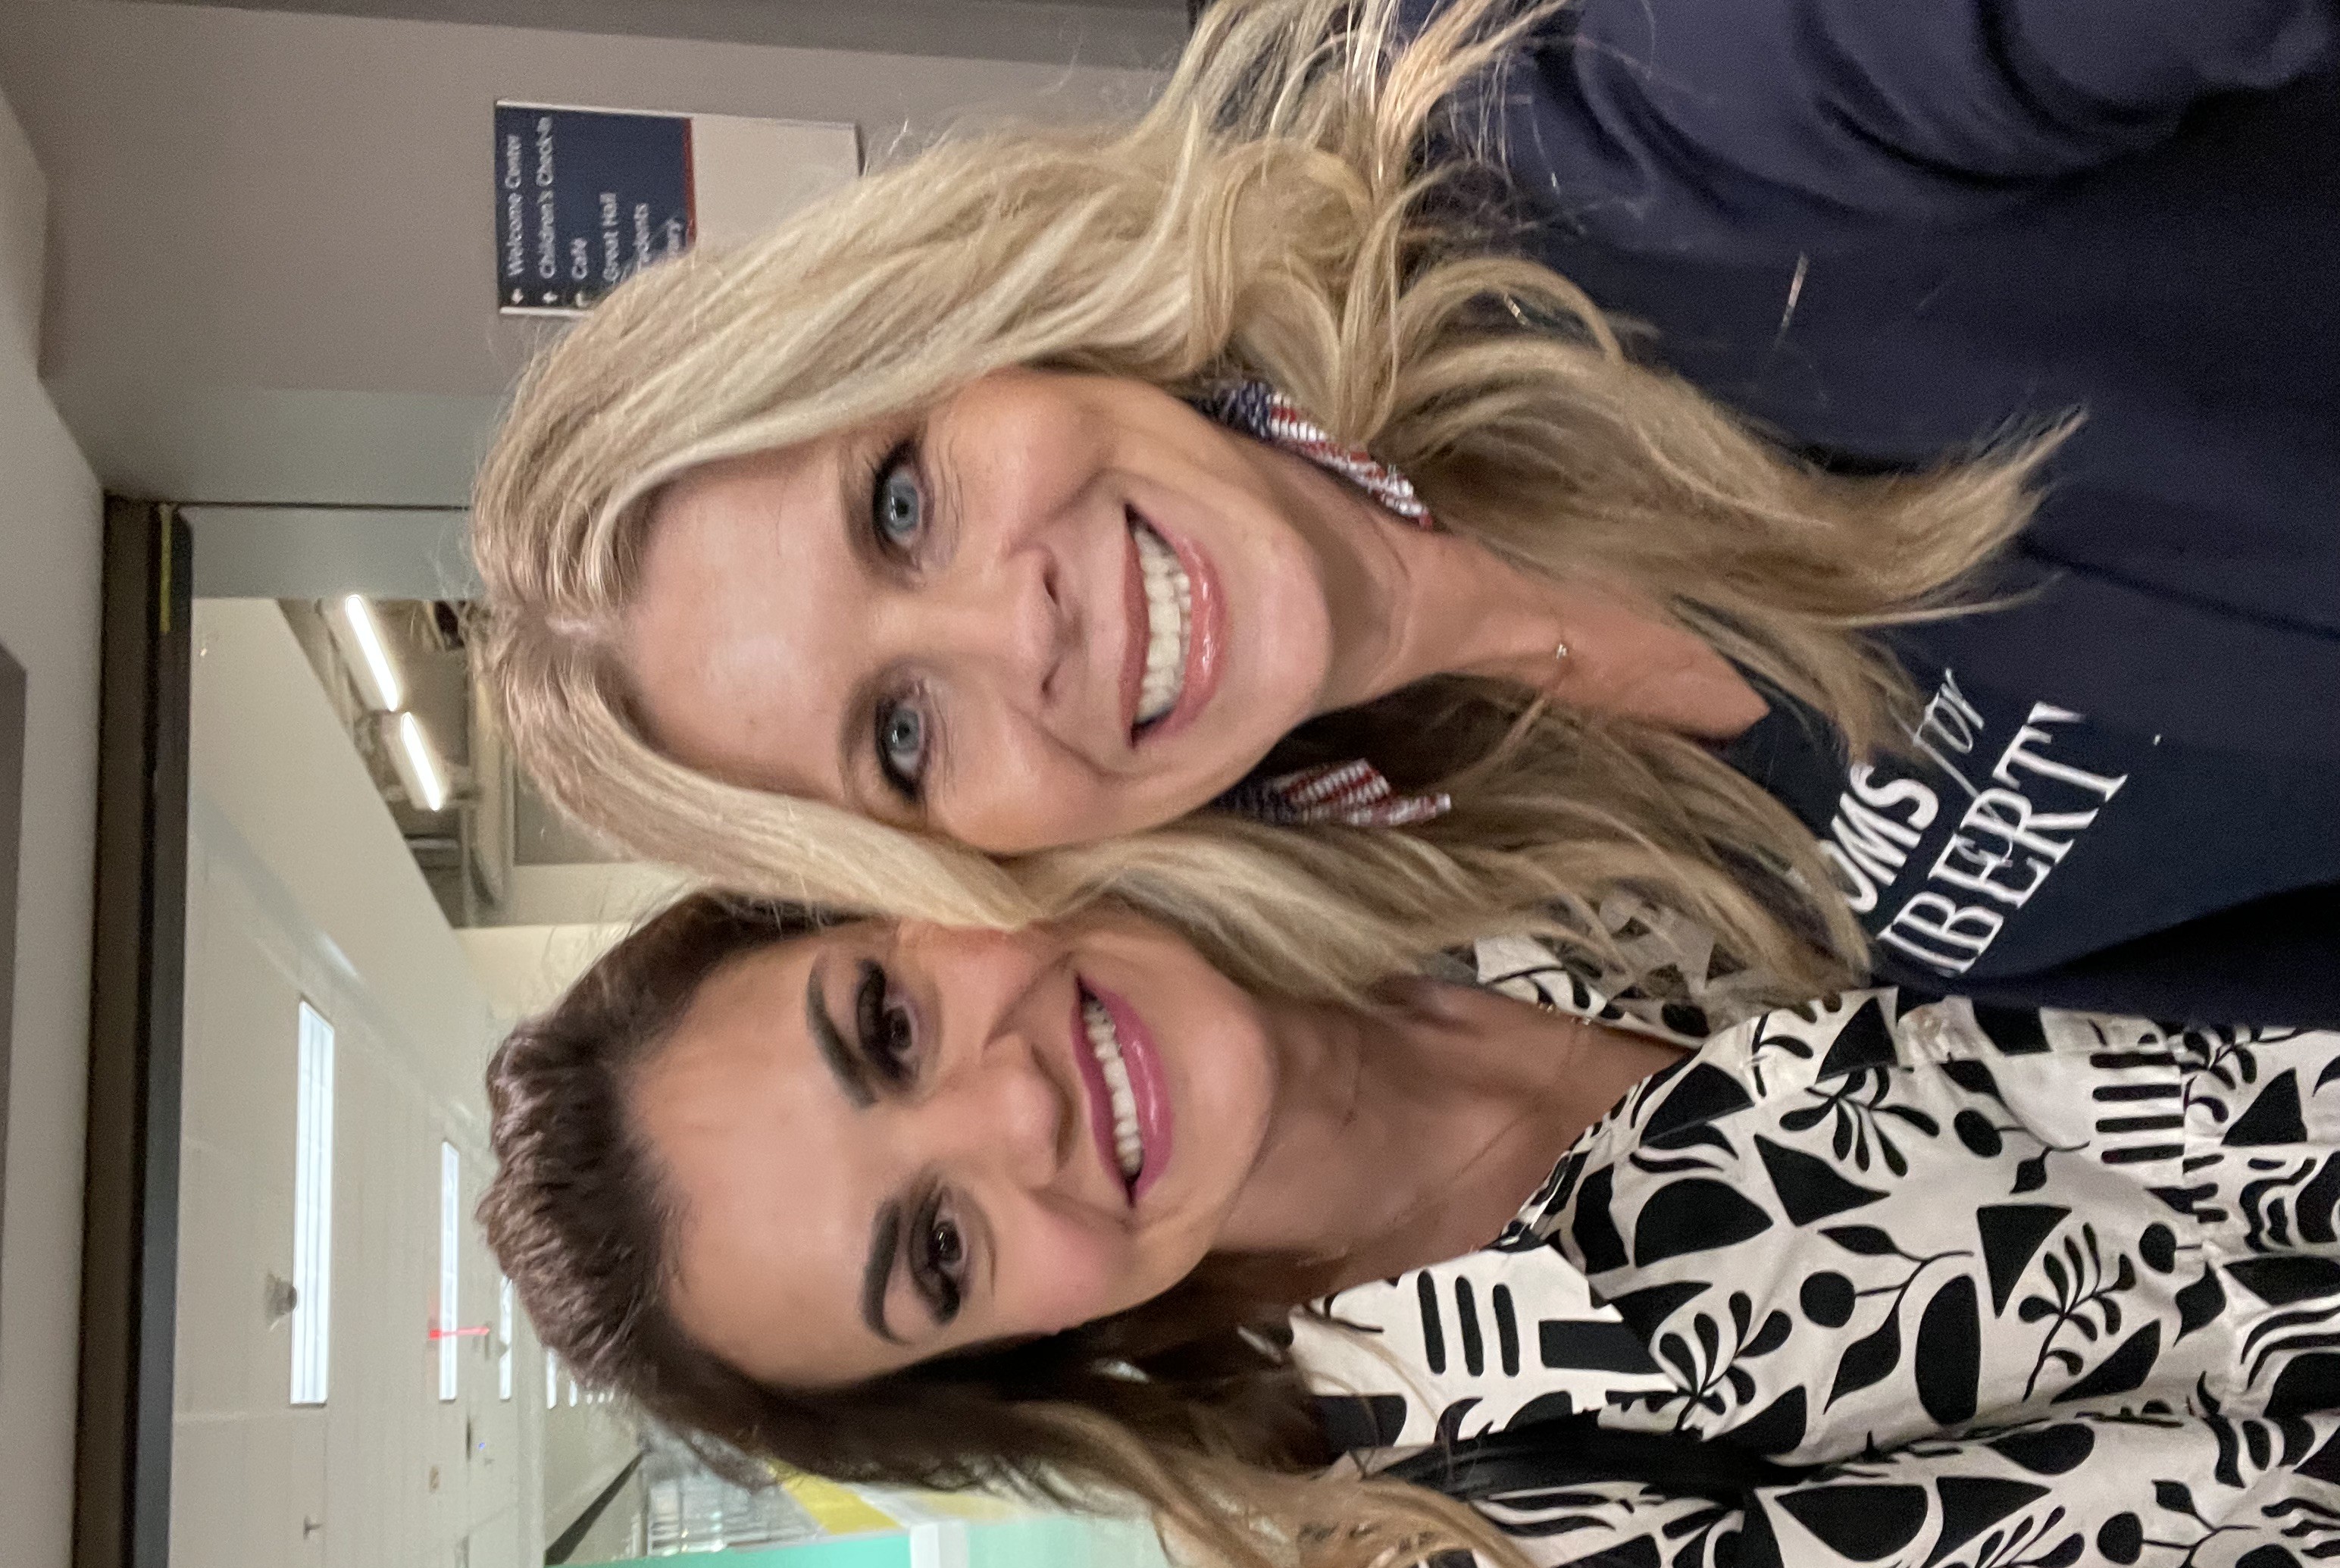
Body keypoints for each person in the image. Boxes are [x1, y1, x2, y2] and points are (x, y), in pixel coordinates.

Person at [471, 0, 2340, 1030]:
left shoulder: (1572, 136)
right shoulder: (1568, 870)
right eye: (898, 735)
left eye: (899, 506)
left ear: (974, 334)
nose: (1009, 629)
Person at [480, 890, 2340, 1568]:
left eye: (886, 1026)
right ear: (998, 1361)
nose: (1012, 1109)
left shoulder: (1488, 811)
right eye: (939, 1252)